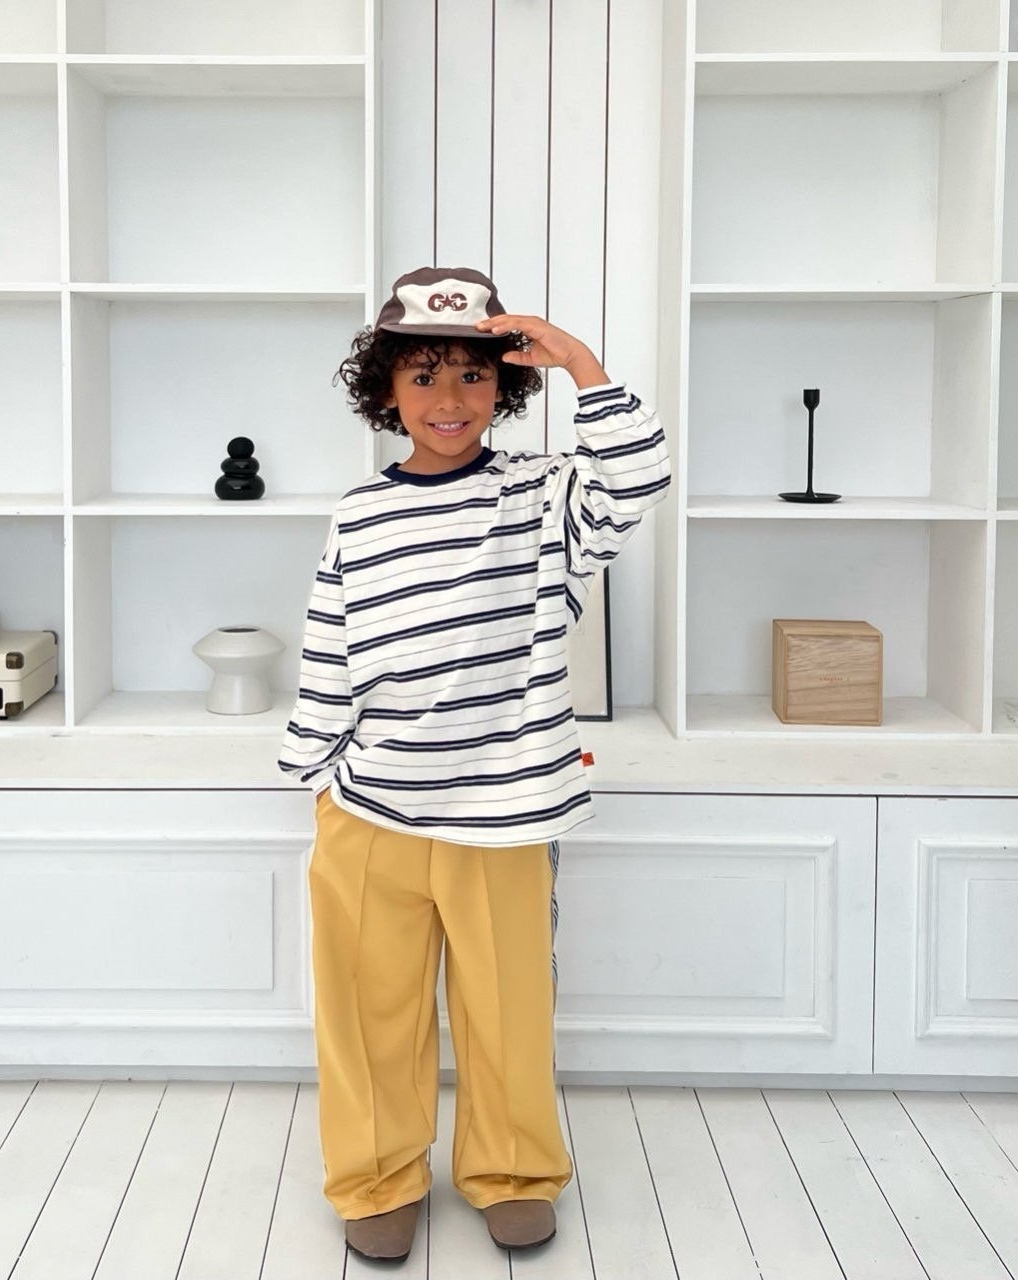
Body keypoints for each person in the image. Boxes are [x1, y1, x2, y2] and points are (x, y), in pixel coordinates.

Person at [276, 265, 672, 1263]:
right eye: (422, 376)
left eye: (471, 373)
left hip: (504, 812)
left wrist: (579, 361)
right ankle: (376, 1178)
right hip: (370, 810)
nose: (447, 398)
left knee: (506, 1010)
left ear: (504, 383)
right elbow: (330, 643)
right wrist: (312, 768)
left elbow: (640, 476)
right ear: (386, 390)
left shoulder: (542, 498)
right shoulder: (358, 514)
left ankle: (513, 1171)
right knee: (367, 1013)